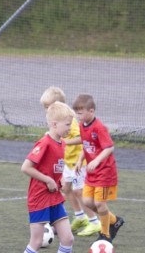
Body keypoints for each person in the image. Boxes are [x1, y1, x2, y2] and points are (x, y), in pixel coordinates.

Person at [14, 101, 80, 253]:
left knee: (68, 238)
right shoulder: (44, 143)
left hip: (54, 198)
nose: (70, 127)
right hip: (39, 198)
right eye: (67, 124)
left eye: (70, 124)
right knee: (36, 240)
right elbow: (26, 167)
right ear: (54, 124)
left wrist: (59, 182)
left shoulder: (61, 143)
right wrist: (48, 180)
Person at [36, 87, 98, 238]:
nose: (46, 110)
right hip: (67, 162)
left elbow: (83, 138)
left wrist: (65, 141)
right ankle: (80, 216)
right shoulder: (56, 122)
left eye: (48, 107)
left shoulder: (71, 122)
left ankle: (94, 221)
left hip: (78, 162)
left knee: (79, 191)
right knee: (66, 188)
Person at [73, 94, 123, 242]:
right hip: (92, 172)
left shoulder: (99, 127)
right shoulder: (82, 126)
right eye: (77, 113)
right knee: (88, 202)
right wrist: (80, 160)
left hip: (105, 172)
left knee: (100, 203)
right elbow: (86, 145)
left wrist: (96, 161)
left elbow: (109, 148)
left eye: (80, 113)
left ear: (91, 111)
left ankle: (105, 234)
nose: (78, 116)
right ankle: (114, 221)